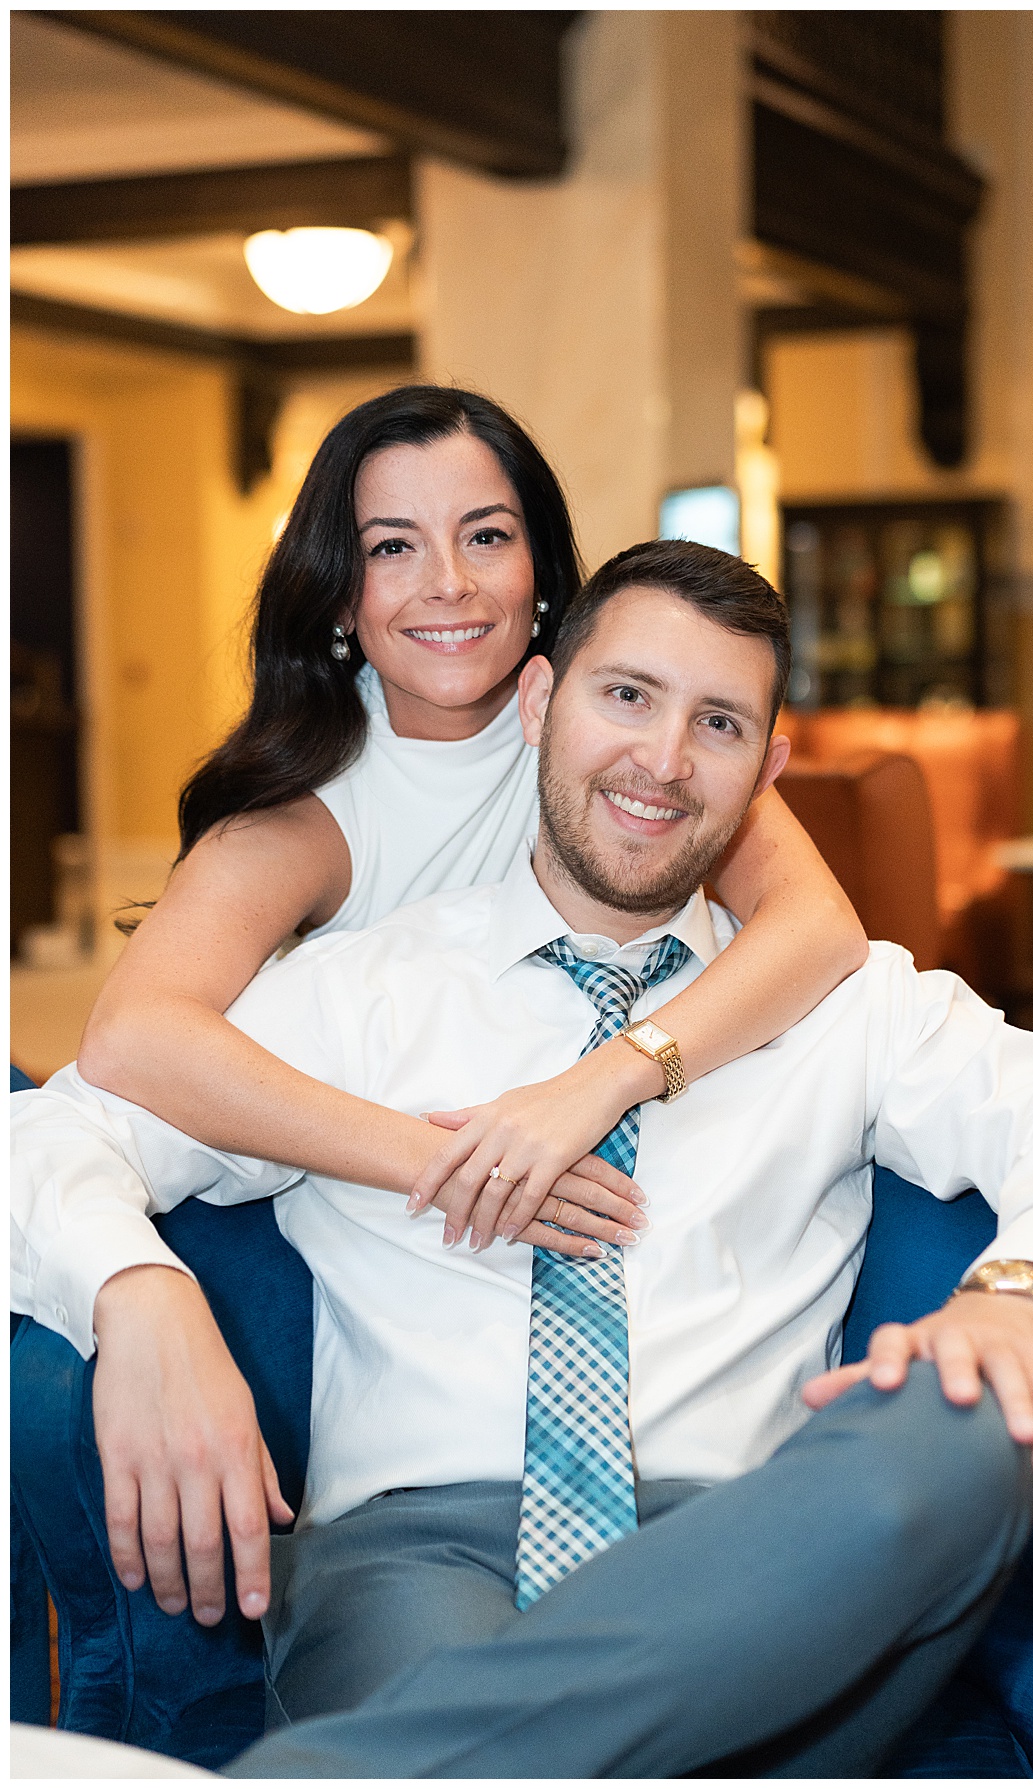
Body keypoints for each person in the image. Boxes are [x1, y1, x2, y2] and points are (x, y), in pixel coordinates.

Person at [12, 541, 1033, 1778]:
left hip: (770, 1561)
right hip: (421, 1562)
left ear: (768, 770)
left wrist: (1014, 1301)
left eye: (719, 722)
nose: (665, 761)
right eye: (626, 695)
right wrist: (135, 1290)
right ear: (537, 705)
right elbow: (53, 1132)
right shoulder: (358, 998)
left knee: (970, 1432)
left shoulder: (851, 1008)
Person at [75, 384, 867, 1255]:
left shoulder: (614, 726)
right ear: (341, 597)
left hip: (636, 1168)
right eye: (392, 547)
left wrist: (604, 1084)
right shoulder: (306, 815)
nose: (448, 584)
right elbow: (133, 1036)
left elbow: (819, 927)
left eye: (485, 536)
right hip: (404, 1231)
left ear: (538, 572)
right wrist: (455, 1159)